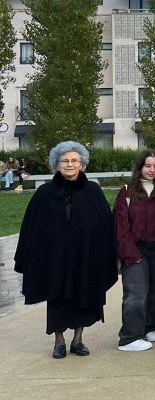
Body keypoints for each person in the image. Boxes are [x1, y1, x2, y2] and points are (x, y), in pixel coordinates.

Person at [15, 142, 118, 359]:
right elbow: (32, 227)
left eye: (74, 160)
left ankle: (78, 340)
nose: (69, 164)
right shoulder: (45, 193)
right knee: (57, 298)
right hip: (55, 259)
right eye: (65, 161)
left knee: (84, 294)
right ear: (57, 164)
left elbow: (104, 224)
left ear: (81, 164)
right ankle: (59, 341)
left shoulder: (93, 191)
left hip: (84, 256)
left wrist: (108, 254)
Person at [113, 149, 155, 352]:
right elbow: (120, 225)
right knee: (136, 293)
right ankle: (129, 337)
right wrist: (129, 252)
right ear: (140, 167)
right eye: (147, 166)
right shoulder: (127, 192)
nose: (152, 170)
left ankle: (149, 326)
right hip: (135, 248)